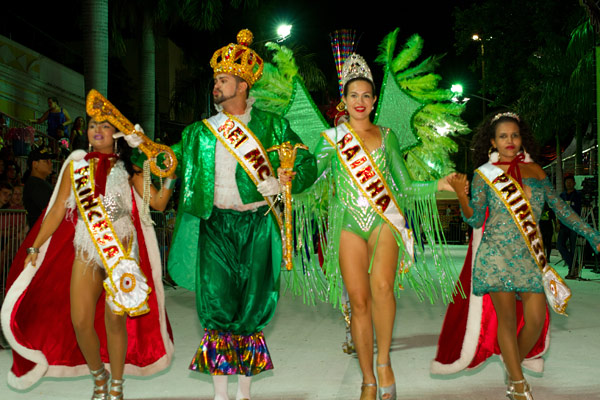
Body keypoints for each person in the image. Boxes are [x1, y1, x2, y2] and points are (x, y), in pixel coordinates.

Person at [167, 29, 316, 400]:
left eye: (222, 79)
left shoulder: (272, 126)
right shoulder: (199, 134)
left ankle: (244, 393)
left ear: (243, 85)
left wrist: (285, 181)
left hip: (258, 224)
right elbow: (165, 159)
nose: (215, 86)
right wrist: (141, 147)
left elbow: (307, 163)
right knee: (217, 304)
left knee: (253, 302)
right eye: (216, 80)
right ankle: (220, 394)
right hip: (216, 225)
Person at [1, 105, 175, 398]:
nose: (96, 129)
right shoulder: (76, 167)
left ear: (117, 134)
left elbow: (157, 203)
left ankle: (117, 385)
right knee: (80, 320)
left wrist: (169, 173)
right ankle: (99, 376)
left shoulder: (129, 167)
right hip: (86, 249)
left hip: (121, 254)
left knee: (115, 321)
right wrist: (35, 245)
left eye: (104, 126)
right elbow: (57, 210)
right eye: (93, 124)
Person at [308, 54, 456, 400]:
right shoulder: (330, 139)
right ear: (343, 100)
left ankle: (385, 361)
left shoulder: (387, 137)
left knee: (383, 289)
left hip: (383, 221)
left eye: (366, 96)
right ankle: (368, 379)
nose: (359, 102)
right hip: (347, 223)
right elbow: (309, 180)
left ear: (374, 102)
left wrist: (439, 185)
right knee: (358, 302)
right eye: (353, 96)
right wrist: (285, 179)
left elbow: (403, 187)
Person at [431, 111, 600, 400]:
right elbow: (473, 220)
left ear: (522, 138)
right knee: (506, 321)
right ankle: (519, 385)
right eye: (503, 136)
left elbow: (561, 210)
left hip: (529, 258)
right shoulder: (485, 175)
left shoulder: (537, 172)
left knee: (535, 319)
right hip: (495, 256)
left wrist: (592, 233)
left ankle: (512, 368)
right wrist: (462, 195)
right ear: (493, 142)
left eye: (514, 135)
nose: (509, 141)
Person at [556, 174, 582, 278]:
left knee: (573, 247)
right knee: (560, 245)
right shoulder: (562, 196)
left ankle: (572, 269)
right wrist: (558, 222)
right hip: (563, 225)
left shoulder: (578, 195)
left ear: (574, 183)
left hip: (574, 225)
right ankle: (573, 266)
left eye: (571, 182)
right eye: (567, 182)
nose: (569, 183)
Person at [22, 146, 55, 228]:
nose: (51, 163)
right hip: (40, 232)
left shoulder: (39, 183)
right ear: (35, 164)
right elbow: (51, 210)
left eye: (51, 161)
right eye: (46, 161)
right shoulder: (35, 184)